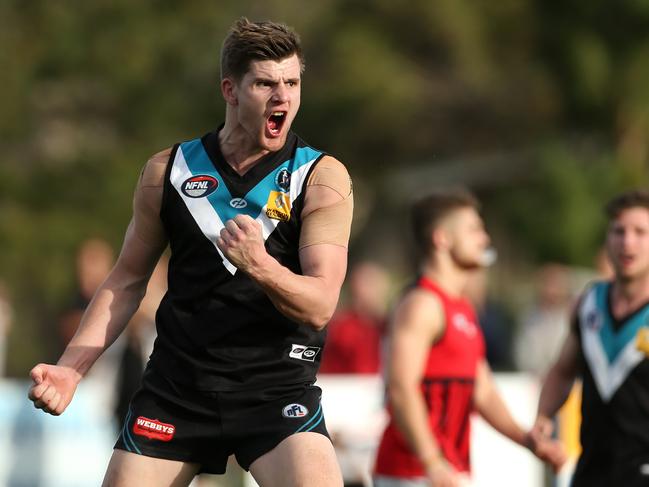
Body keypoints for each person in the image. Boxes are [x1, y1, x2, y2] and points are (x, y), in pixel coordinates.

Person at [28, 17, 353, 487]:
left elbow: (320, 305)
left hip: (275, 392)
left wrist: (259, 264)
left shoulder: (321, 178)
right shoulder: (169, 172)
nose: (283, 96)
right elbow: (126, 279)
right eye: (265, 83)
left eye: (292, 82)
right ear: (230, 90)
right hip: (178, 390)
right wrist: (70, 370)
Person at [373, 190, 565, 487]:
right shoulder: (422, 304)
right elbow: (400, 388)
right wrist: (432, 462)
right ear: (442, 239)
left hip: (446, 470)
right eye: (474, 229)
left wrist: (526, 440)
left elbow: (483, 391)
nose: (485, 239)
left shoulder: (462, 307)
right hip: (412, 473)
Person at [533, 189, 649, 487]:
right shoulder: (587, 305)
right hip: (592, 473)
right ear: (607, 240)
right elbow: (562, 371)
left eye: (640, 232)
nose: (627, 242)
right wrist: (543, 416)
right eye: (618, 231)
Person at [319, 260, 389, 375]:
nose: (366, 291)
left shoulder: (387, 326)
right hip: (344, 387)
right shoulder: (339, 326)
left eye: (371, 284)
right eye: (364, 284)